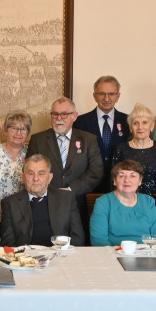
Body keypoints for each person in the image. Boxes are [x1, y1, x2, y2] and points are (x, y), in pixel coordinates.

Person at [27, 96, 103, 228]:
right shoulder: (37, 140)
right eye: (55, 114)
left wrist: (71, 189)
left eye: (64, 114)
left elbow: (96, 171)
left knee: (77, 244)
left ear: (74, 116)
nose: (59, 118)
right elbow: (29, 172)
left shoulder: (89, 140)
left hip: (78, 203)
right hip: (45, 203)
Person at [0, 154, 85, 247]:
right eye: (31, 173)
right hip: (26, 257)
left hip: (60, 255)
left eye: (41, 173)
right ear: (23, 177)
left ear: (49, 177)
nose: (35, 178)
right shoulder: (10, 203)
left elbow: (77, 238)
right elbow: (8, 243)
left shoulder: (66, 199)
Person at [89, 160, 156, 246]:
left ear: (140, 181)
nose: (127, 180)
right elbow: (99, 240)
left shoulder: (148, 202)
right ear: (114, 180)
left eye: (133, 176)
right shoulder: (103, 203)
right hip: (113, 255)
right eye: (122, 176)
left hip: (146, 255)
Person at [73, 75, 129, 191]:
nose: (106, 98)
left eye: (111, 94)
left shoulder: (128, 122)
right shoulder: (80, 122)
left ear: (118, 96)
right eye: (101, 94)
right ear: (94, 96)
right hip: (88, 186)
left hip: (120, 186)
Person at [112, 104, 156, 195]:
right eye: (135, 123)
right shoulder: (121, 149)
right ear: (130, 127)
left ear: (152, 126)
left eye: (144, 122)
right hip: (127, 201)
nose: (140, 127)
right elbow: (113, 180)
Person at [0, 112, 30, 212]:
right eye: (14, 128)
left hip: (24, 214)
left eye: (23, 129)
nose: (18, 133)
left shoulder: (31, 153)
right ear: (5, 131)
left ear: (28, 133)